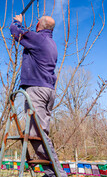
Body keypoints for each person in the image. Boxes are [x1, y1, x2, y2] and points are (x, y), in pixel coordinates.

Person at [9, 14, 67, 177]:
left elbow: (16, 32)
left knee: (38, 134)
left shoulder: (39, 40)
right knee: (40, 134)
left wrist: (17, 21)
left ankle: (56, 174)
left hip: (37, 90)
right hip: (47, 90)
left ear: (38, 25)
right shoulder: (51, 43)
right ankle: (51, 172)